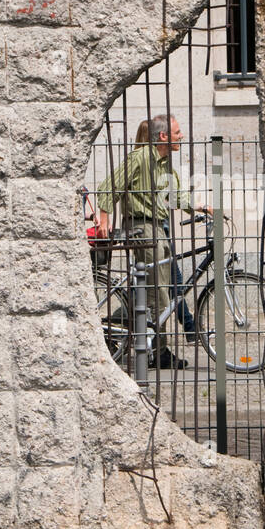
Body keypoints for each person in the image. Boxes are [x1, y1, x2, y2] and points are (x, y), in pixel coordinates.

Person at [94, 115, 211, 369]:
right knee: (159, 293)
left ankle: (125, 331)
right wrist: (104, 218)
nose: (182, 136)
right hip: (143, 228)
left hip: (158, 228)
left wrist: (201, 206)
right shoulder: (141, 158)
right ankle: (159, 352)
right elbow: (108, 186)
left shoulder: (164, 163)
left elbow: (174, 196)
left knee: (159, 290)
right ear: (163, 137)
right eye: (177, 132)